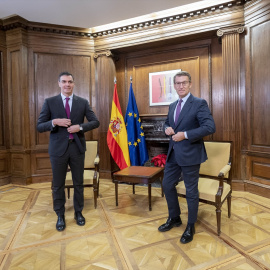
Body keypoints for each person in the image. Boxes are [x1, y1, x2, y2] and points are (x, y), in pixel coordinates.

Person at [37, 71, 100, 231]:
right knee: (58, 184)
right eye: (64, 82)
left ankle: (78, 212)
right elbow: (39, 126)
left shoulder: (83, 102)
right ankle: (60, 214)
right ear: (59, 84)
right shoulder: (50, 102)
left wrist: (80, 127)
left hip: (77, 148)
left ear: (73, 84)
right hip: (58, 150)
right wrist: (54, 122)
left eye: (70, 82)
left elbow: (95, 122)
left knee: (78, 182)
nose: (67, 84)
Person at [158, 71, 215, 244]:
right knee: (167, 185)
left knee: (191, 191)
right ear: (174, 86)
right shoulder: (173, 105)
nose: (181, 86)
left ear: (190, 84)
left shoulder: (199, 103)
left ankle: (190, 225)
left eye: (184, 83)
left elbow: (210, 127)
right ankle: (175, 218)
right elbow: (169, 122)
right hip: (173, 153)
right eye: (177, 83)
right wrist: (166, 128)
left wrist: (186, 135)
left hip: (191, 153)